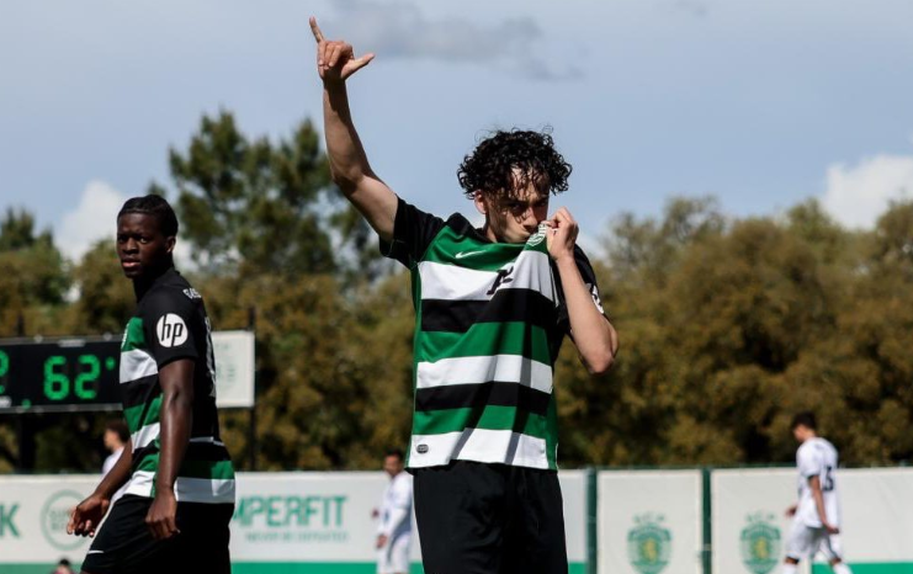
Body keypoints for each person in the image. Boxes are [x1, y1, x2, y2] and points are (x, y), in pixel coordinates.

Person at [309, 17, 618, 574]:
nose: (532, 216)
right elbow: (352, 178)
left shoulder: (559, 259)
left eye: (541, 201)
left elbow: (599, 356)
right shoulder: (432, 242)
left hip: (530, 469)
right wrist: (334, 90)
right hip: (450, 470)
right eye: (517, 204)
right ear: (482, 198)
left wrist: (566, 258)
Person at [66, 195, 236, 574]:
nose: (129, 247)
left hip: (172, 487)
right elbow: (152, 426)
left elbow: (178, 397)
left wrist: (164, 491)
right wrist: (103, 493)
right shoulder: (171, 298)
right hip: (209, 486)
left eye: (142, 239)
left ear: (169, 243)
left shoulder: (166, 303)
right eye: (122, 238)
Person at [782, 412, 853, 574]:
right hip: (829, 509)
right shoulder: (829, 448)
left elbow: (815, 484)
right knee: (834, 557)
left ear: (800, 428)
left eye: (795, 432)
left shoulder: (806, 450)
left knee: (792, 556)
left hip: (812, 513)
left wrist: (821, 517)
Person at [373, 449, 413, 574]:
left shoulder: (403, 483)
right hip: (391, 536)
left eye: (392, 464)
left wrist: (386, 533)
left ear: (400, 465)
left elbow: (401, 510)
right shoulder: (393, 484)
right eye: (387, 464)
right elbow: (390, 509)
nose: (389, 467)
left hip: (400, 536)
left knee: (398, 570)